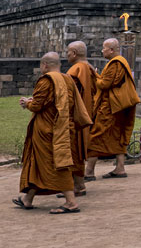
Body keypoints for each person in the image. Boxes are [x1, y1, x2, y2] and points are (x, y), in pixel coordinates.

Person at [13, 52, 90, 214]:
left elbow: (38, 106)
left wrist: (27, 103)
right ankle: (28, 199)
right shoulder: (67, 79)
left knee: (56, 164)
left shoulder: (46, 80)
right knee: (40, 163)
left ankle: (71, 202)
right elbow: (56, 103)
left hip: (49, 131)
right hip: (64, 127)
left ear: (45, 65)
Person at [85, 38, 140, 180]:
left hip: (110, 108)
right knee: (117, 135)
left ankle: (89, 171)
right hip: (117, 107)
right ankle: (120, 168)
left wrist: (94, 74)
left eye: (104, 48)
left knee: (95, 136)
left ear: (111, 50)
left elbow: (104, 84)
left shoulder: (116, 63)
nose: (102, 51)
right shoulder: (119, 62)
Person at [65, 41, 97, 195]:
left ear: (75, 53)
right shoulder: (89, 68)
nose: (67, 55)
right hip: (86, 114)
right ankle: (77, 185)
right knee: (77, 150)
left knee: (75, 151)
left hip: (76, 117)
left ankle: (79, 186)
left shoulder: (77, 70)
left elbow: (69, 95)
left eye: (68, 52)